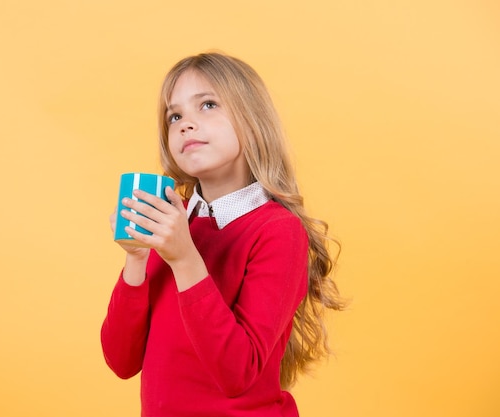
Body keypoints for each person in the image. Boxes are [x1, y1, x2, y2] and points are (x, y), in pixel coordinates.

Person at [101, 52, 346, 417]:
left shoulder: (277, 231)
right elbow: (121, 360)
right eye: (175, 115)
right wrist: (136, 259)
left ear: (252, 121)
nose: (185, 125)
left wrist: (184, 258)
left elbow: (237, 373)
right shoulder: (176, 220)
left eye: (208, 104)